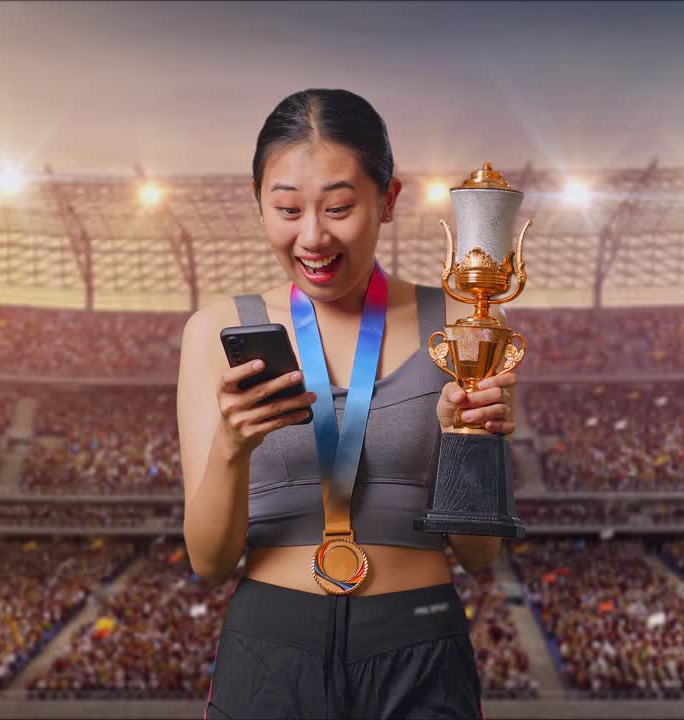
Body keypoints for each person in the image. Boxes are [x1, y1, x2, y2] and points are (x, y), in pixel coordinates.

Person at [176, 88, 518, 719]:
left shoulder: (462, 325)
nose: (313, 237)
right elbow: (209, 562)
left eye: (338, 208)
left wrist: (464, 442)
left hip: (420, 648)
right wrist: (231, 447)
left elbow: (479, 555)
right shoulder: (213, 332)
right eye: (286, 209)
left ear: (387, 200)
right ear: (257, 200)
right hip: (269, 651)